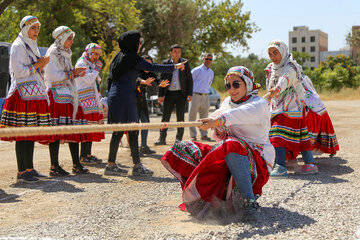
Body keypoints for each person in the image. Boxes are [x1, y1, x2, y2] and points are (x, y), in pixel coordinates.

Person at [161, 66, 275, 222]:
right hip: (231, 154)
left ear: (247, 83)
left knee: (232, 144)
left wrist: (218, 120)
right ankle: (205, 201)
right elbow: (218, 118)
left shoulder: (259, 104)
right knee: (185, 147)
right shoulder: (229, 102)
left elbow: (239, 114)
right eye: (228, 85)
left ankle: (250, 202)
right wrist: (210, 123)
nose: (231, 89)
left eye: (236, 84)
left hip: (256, 163)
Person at [105, 30, 188, 176]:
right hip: (125, 97)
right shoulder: (132, 57)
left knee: (118, 132)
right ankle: (137, 166)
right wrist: (175, 67)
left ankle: (111, 165)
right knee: (133, 130)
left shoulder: (119, 56)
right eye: (139, 42)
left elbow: (111, 79)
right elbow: (152, 67)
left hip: (115, 96)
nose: (140, 45)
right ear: (133, 43)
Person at [0, 16, 52, 183]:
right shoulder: (18, 45)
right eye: (33, 28)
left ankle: (29, 168)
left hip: (32, 94)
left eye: (38, 28)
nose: (36, 31)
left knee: (30, 132)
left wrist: (40, 66)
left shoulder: (31, 44)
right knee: (22, 134)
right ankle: (22, 172)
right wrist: (38, 65)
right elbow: (18, 71)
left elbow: (33, 69)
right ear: (25, 28)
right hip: (21, 95)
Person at [266, 40, 317, 177]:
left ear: (283, 51)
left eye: (275, 52)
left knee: (277, 133)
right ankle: (310, 164)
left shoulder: (291, 66)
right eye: (270, 54)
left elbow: (285, 80)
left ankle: (281, 166)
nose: (273, 57)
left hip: (292, 107)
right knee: (301, 136)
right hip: (282, 107)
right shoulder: (274, 67)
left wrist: (275, 92)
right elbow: (271, 83)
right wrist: (270, 95)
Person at [44, 26, 89, 176]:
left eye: (72, 37)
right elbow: (53, 76)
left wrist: (75, 74)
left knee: (73, 129)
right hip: (56, 95)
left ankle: (76, 164)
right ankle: (54, 166)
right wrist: (72, 73)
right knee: (56, 132)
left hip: (69, 94)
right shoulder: (52, 52)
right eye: (69, 38)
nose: (72, 41)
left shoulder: (66, 53)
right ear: (61, 38)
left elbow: (66, 75)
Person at [155, 44, 193, 145]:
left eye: (179, 52)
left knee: (180, 117)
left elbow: (189, 79)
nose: (177, 54)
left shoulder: (185, 63)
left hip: (181, 94)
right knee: (165, 117)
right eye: (175, 51)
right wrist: (160, 95)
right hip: (169, 94)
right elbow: (162, 80)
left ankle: (178, 139)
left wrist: (190, 93)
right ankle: (162, 138)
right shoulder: (165, 63)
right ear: (170, 53)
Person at [75, 43, 105, 165]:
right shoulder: (81, 63)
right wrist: (97, 69)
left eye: (98, 54)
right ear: (89, 52)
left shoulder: (90, 63)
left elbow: (95, 80)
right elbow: (88, 79)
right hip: (83, 98)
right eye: (95, 54)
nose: (97, 57)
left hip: (91, 98)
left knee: (92, 126)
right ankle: (83, 155)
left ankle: (88, 154)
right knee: (87, 126)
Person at [136, 55, 169, 156]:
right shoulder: (136, 72)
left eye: (149, 64)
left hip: (142, 100)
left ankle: (143, 146)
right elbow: (136, 79)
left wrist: (161, 84)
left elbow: (157, 80)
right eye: (146, 63)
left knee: (146, 122)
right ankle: (135, 148)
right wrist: (143, 82)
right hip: (132, 100)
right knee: (135, 125)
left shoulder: (150, 72)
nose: (147, 66)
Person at [188, 53, 214, 141]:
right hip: (195, 95)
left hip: (205, 96)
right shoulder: (196, 70)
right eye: (207, 59)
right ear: (203, 59)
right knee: (192, 116)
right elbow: (189, 82)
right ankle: (193, 135)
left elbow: (209, 84)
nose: (208, 61)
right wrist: (189, 94)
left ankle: (204, 135)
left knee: (204, 117)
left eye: (210, 59)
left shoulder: (211, 72)